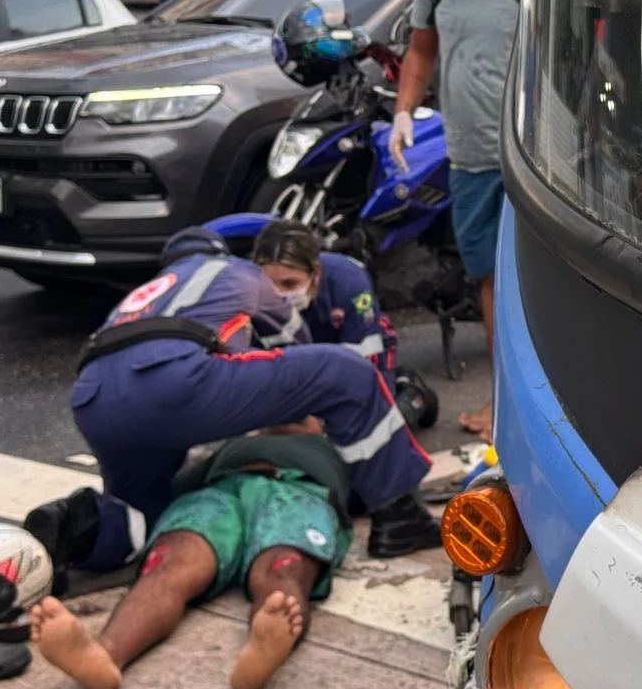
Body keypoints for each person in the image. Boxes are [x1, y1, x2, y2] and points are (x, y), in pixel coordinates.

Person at [24, 226, 439, 579]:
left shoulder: (152, 291)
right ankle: (399, 515)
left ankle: (76, 524)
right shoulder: (238, 271)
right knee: (347, 373)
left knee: (147, 512)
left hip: (93, 398)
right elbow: (294, 346)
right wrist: (308, 417)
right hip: (174, 379)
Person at [29, 429, 351, 689]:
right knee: (171, 565)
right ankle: (104, 653)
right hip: (218, 489)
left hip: (298, 489)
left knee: (283, 569)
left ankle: (265, 642)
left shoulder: (336, 443)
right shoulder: (236, 438)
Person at [390, 0, 523, 438]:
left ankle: (539, 412)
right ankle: (502, 407)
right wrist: (403, 111)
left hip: (533, 161)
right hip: (469, 156)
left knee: (533, 286)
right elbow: (421, 53)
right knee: (490, 282)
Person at [251, 219, 439, 431]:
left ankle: (413, 395)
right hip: (300, 356)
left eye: (290, 284)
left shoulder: (350, 284)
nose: (279, 294)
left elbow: (362, 373)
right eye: (269, 284)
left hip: (358, 348)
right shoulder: (248, 289)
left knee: (375, 428)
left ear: (316, 274)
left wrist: (323, 423)